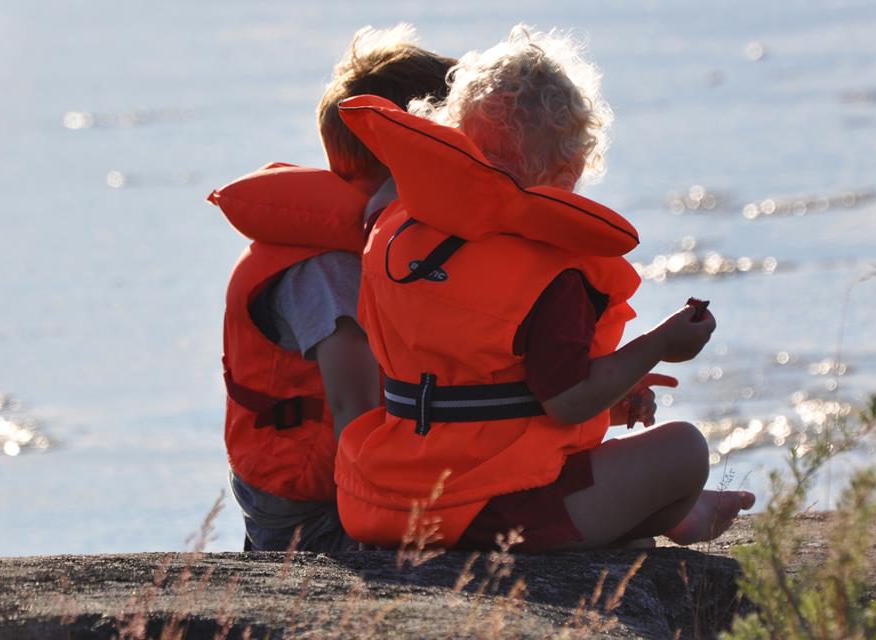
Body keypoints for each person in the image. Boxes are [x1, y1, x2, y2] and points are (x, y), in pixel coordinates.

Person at [333, 26, 754, 552]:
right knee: (684, 451)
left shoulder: (395, 233)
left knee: (627, 466)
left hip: (385, 500)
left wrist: (615, 398)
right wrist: (659, 346)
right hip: (486, 513)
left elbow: (478, 384)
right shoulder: (552, 273)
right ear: (572, 167)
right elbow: (568, 402)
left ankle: (678, 516)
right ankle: (673, 514)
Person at [209, 25, 455, 552]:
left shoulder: (384, 246)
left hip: (335, 489)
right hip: (314, 516)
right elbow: (354, 408)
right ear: (404, 152)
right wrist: (381, 533)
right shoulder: (327, 271)